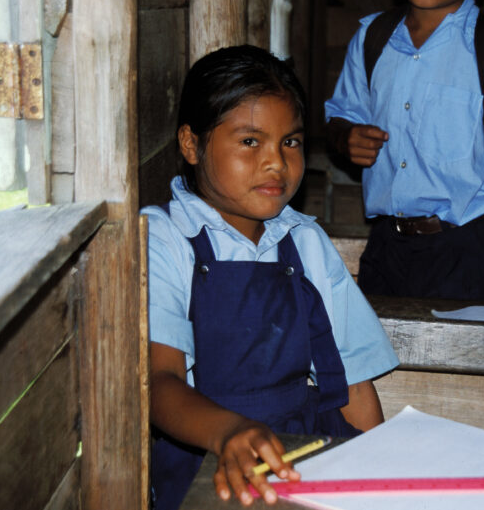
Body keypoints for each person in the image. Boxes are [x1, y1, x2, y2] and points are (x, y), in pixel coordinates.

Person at [141, 45, 400, 509]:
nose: (276, 163)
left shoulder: (305, 241)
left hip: (303, 462)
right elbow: (159, 382)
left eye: (291, 142)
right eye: (249, 142)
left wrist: (380, 475)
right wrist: (228, 431)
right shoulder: (166, 238)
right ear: (190, 144)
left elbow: (355, 383)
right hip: (204, 468)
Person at [325, 0, 484, 303]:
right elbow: (340, 114)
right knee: (377, 348)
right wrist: (345, 136)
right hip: (387, 242)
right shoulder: (371, 37)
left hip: (468, 245)